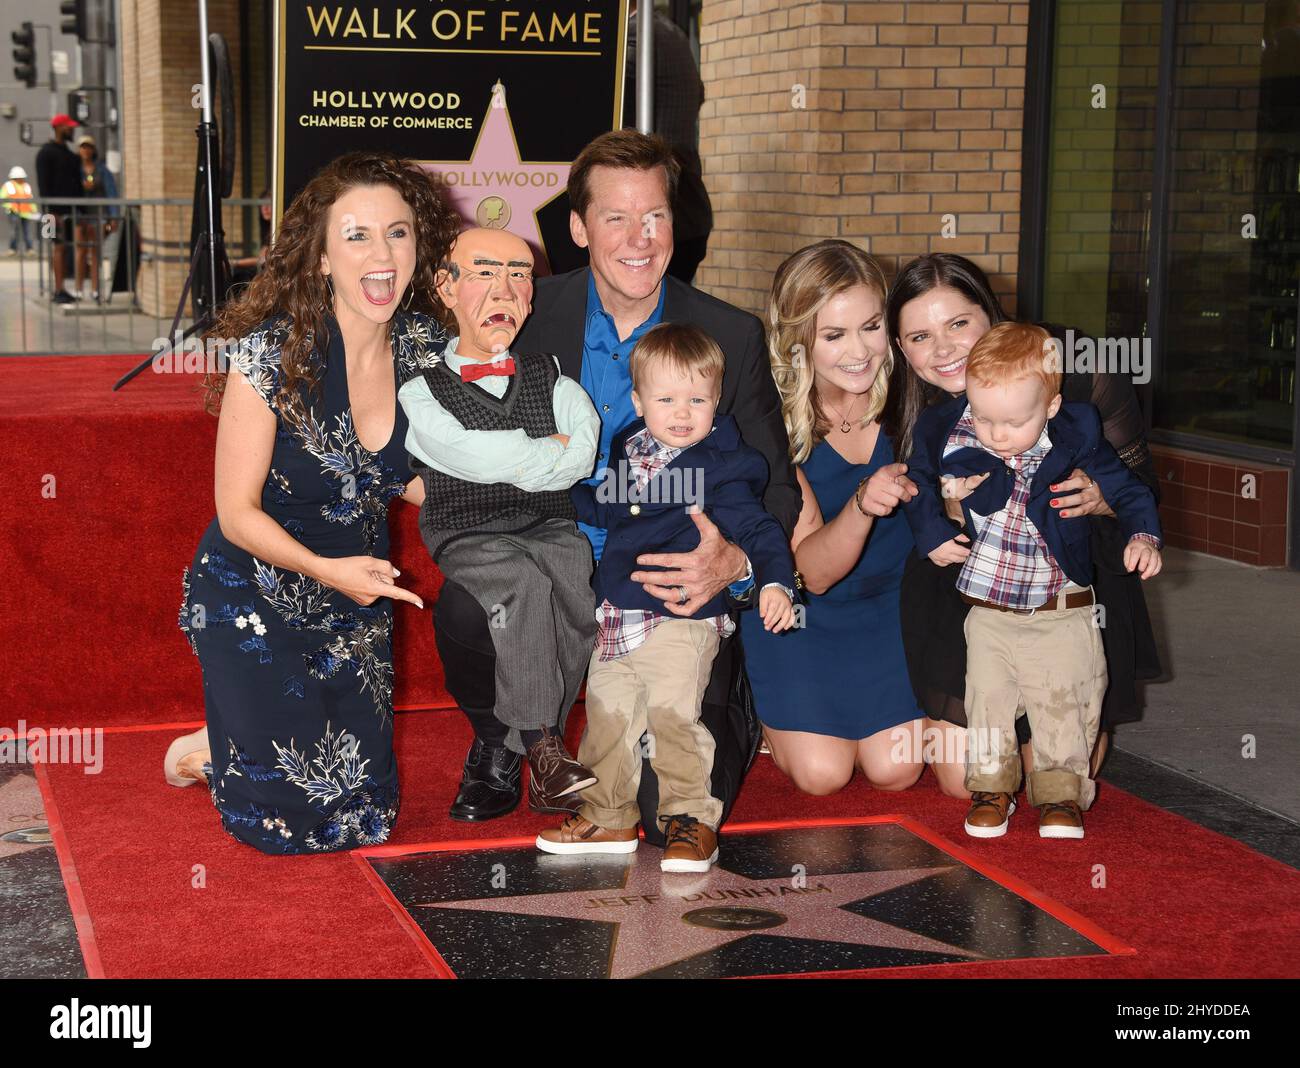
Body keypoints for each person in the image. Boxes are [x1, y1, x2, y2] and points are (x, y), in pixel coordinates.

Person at [432, 129, 800, 835]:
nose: (640, 238)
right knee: (469, 604)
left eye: (655, 216)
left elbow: (776, 489)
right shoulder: (524, 318)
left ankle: (727, 695)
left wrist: (737, 562)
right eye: (615, 217)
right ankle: (506, 738)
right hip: (552, 547)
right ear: (578, 227)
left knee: (670, 819)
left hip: (671, 579)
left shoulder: (731, 334)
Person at [164, 152, 457, 854]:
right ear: (322, 257)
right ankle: (208, 754)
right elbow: (237, 512)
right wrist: (328, 573)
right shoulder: (270, 354)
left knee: (365, 817)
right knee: (287, 827)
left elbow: (417, 479)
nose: (381, 253)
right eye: (356, 235)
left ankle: (234, 734)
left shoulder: (429, 348)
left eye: (398, 232)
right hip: (253, 589)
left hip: (353, 598)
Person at [882, 253, 1164, 798]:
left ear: (989, 315)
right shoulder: (913, 402)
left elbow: (1141, 487)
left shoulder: (1079, 370)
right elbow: (915, 501)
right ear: (900, 347)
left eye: (959, 324)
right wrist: (943, 510)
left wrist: (1104, 499)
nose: (943, 349)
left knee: (1051, 774)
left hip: (1076, 572)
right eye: (919, 336)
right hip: (972, 576)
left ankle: (1076, 708)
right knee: (963, 785)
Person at [537, 323, 796, 871]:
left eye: (697, 399)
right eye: (666, 399)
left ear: (716, 400)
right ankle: (607, 816)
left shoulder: (726, 465)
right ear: (638, 401)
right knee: (607, 718)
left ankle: (690, 819)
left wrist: (775, 581)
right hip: (619, 613)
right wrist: (552, 488)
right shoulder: (631, 446)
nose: (682, 412)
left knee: (674, 716)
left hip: (684, 615)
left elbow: (761, 529)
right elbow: (609, 506)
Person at [399, 226, 601, 818]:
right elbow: (469, 455)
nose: (504, 290)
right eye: (485, 272)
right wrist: (542, 454)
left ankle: (539, 757)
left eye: (519, 275)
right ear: (445, 286)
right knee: (523, 586)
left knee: (575, 589)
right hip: (469, 531)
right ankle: (539, 746)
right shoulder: (421, 390)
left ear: (531, 299)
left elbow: (582, 456)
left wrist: (521, 462)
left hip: (551, 526)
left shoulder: (552, 375)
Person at [742, 240, 925, 796]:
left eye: (871, 327)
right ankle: (759, 715)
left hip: (890, 611)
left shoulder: (914, 396)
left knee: (898, 770)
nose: (860, 352)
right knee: (823, 776)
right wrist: (862, 503)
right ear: (798, 342)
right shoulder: (769, 419)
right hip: (799, 614)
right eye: (833, 335)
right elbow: (812, 573)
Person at [623, 1, 713, 283]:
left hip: (661, 213)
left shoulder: (638, 35)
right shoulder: (671, 32)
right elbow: (698, 94)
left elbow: (607, 94)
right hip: (687, 208)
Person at [35, 115, 83, 304]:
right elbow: (43, 184)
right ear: (58, 127)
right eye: (68, 127)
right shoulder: (46, 153)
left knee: (64, 248)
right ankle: (58, 289)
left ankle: (62, 288)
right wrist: (51, 211)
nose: (72, 130)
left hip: (70, 211)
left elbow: (76, 184)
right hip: (52, 212)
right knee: (58, 247)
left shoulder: (71, 156)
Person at [73, 135, 118, 301]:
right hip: (80, 215)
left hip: (98, 216)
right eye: (82, 147)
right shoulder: (75, 169)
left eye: (88, 147)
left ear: (93, 150)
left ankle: (94, 289)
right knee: (80, 252)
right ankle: (78, 289)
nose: (85, 150)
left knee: (95, 252)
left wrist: (113, 216)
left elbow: (111, 192)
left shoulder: (102, 169)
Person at [2, 166, 39, 256]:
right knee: (14, 231)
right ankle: (12, 249)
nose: (21, 179)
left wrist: (34, 210)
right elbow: (2, 199)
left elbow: (30, 199)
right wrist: (11, 206)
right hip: (14, 213)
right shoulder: (8, 186)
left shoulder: (26, 186)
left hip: (25, 213)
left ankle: (29, 249)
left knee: (27, 232)